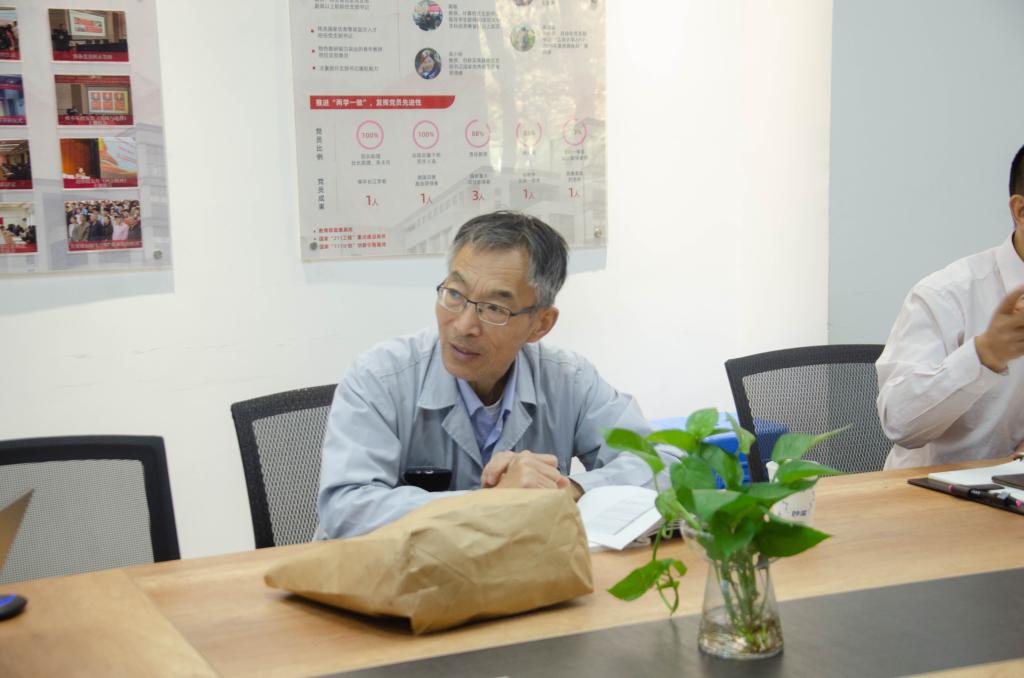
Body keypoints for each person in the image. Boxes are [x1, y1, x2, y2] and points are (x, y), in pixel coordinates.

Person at [318, 211, 662, 538]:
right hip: (401, 576)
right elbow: (346, 509)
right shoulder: (379, 377)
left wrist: (567, 489)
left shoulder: (568, 380)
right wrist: (491, 503)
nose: (464, 326)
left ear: (541, 324)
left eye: (495, 309)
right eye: (455, 294)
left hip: (521, 573)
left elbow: (664, 466)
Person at [876, 143, 1024, 468]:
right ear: (1020, 211)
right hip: (930, 490)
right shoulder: (946, 294)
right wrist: (984, 355)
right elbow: (899, 421)